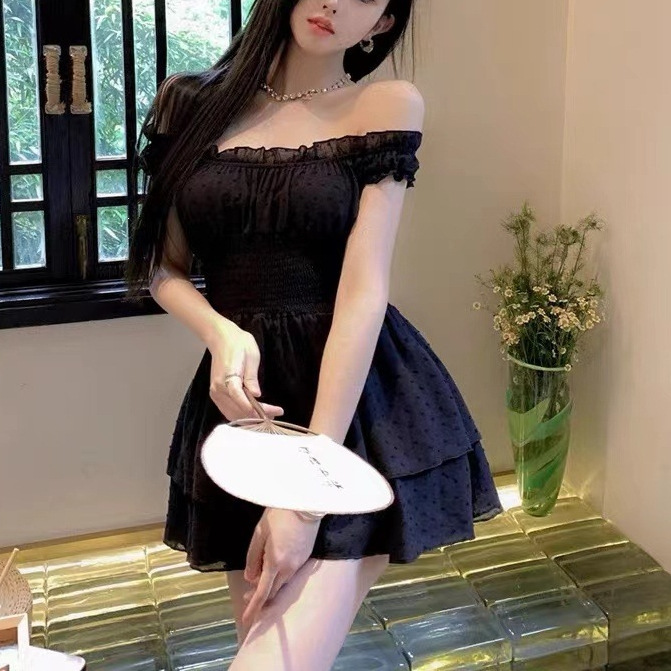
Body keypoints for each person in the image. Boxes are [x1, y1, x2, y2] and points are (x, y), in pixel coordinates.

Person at [126, 0, 503, 668]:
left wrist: (305, 496)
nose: (333, 2)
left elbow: (363, 291)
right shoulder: (188, 102)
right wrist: (221, 333)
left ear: (382, 25)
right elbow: (162, 264)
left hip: (354, 412)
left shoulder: (385, 104)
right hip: (251, 416)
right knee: (263, 643)